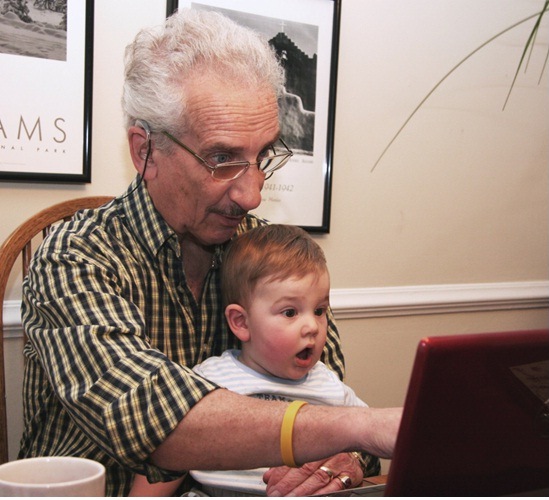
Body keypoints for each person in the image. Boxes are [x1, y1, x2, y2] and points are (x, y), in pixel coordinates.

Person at [18, 8, 401, 497]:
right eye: (221, 159)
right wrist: (359, 430)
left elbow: (325, 401)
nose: (252, 195)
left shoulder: (265, 255)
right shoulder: (74, 257)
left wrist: (344, 459)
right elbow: (153, 417)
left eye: (261, 157)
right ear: (145, 151)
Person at [130, 224, 381, 496]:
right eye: (289, 312)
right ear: (241, 322)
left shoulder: (330, 386)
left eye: (319, 310)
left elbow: (369, 443)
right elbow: (170, 457)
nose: (313, 326)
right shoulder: (208, 380)